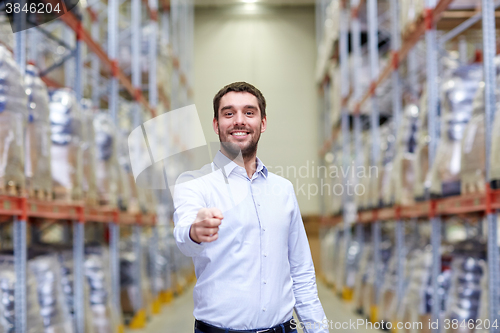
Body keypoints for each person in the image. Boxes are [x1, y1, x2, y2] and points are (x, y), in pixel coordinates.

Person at [173, 82, 329, 333]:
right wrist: (195, 230)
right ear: (216, 125)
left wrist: (318, 329)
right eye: (228, 113)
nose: (239, 121)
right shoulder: (194, 185)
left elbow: (300, 270)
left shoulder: (283, 190)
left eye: (249, 112)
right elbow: (183, 238)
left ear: (263, 123)